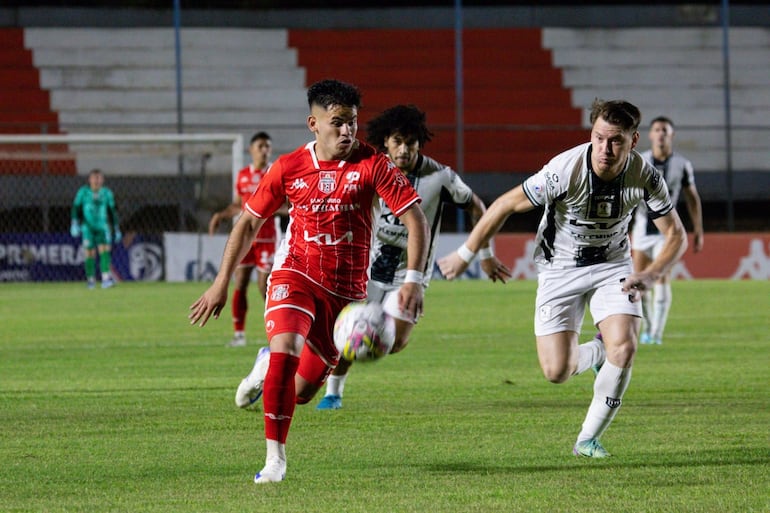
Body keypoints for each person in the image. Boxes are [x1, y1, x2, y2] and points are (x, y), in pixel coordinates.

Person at [188, 79, 429, 483]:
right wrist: (221, 282)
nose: (347, 131)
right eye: (337, 123)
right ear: (313, 124)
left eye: (352, 122)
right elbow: (249, 222)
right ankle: (275, 460)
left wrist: (415, 280)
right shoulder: (288, 167)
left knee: (301, 392)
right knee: (286, 347)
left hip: (346, 295)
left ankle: (265, 366)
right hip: (295, 272)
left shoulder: (374, 164)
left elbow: (414, 217)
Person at [438, 99, 687, 458]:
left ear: (633, 141)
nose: (605, 148)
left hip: (613, 267)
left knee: (626, 345)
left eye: (615, 140)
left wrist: (650, 274)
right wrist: (466, 254)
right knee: (557, 371)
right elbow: (505, 204)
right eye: (599, 138)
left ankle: (587, 439)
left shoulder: (644, 175)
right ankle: (598, 351)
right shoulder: (564, 170)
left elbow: (675, 235)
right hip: (559, 269)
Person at [316, 104, 495, 410]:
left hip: (410, 275)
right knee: (350, 329)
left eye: (410, 142)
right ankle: (333, 392)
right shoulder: (371, 168)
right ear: (385, 141)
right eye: (397, 141)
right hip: (367, 269)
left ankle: (333, 382)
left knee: (393, 341)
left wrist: (485, 253)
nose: (403, 149)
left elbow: (478, 207)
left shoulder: (440, 177)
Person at [208, 131, 284, 347]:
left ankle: (279, 328)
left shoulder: (275, 173)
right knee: (239, 282)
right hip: (245, 238)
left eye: (267, 146)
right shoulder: (242, 176)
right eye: (260, 146)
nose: (264, 150)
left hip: (268, 238)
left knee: (264, 284)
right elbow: (238, 205)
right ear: (251, 150)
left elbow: (287, 204)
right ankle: (239, 335)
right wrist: (220, 215)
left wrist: (276, 208)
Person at [633, 116, 704, 345]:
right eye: (657, 130)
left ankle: (657, 334)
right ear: (651, 135)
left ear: (671, 135)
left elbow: (692, 198)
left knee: (662, 277)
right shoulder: (640, 161)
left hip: (668, 230)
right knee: (639, 278)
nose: (661, 134)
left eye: (665, 130)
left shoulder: (682, 164)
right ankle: (648, 329)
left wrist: (698, 230)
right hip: (643, 226)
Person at [70, 168, 121, 289]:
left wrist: (116, 228)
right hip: (88, 228)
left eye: (99, 178)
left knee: (104, 251)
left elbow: (112, 211)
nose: (97, 180)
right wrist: (74, 223)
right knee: (89, 253)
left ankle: (105, 279)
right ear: (90, 179)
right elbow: (75, 208)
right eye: (94, 178)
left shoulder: (107, 193)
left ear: (103, 180)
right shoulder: (83, 192)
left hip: (102, 227)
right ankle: (91, 280)